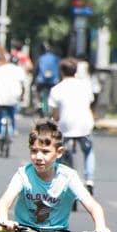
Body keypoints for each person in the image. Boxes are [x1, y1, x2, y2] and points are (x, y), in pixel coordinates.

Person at [49, 57, 97, 192]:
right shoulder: (85, 85)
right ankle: (89, 180)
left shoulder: (56, 89)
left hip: (65, 127)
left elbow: (55, 115)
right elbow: (90, 102)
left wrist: (53, 122)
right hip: (85, 125)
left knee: (58, 152)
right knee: (88, 152)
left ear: (61, 72)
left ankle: (58, 181)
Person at [0, 53, 29, 148]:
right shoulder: (19, 70)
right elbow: (24, 85)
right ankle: (13, 129)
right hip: (14, 97)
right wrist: (22, 96)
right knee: (12, 113)